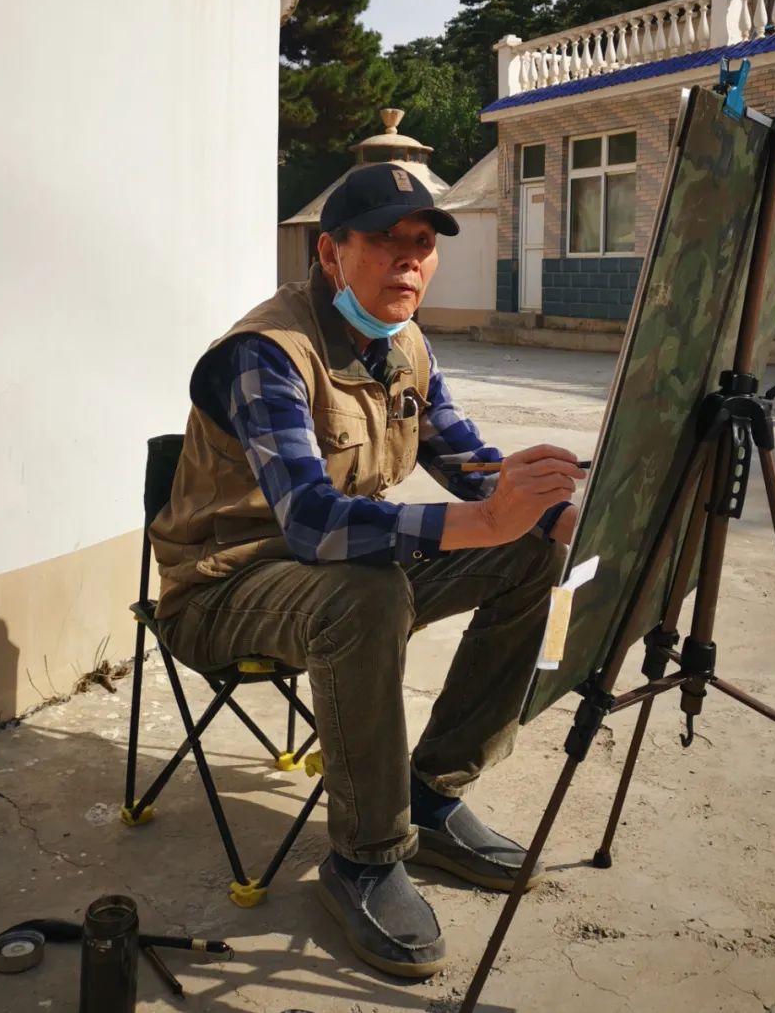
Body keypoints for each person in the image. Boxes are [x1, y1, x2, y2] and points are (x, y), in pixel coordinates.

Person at [150, 162, 585, 979]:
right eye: (385, 242)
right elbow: (312, 521)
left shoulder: (404, 343)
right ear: (329, 252)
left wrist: (542, 503)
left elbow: (466, 462)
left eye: (422, 244)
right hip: (226, 587)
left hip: (339, 576)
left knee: (533, 548)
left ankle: (433, 789)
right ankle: (365, 854)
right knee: (368, 589)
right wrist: (478, 517)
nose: (408, 261)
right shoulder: (267, 352)